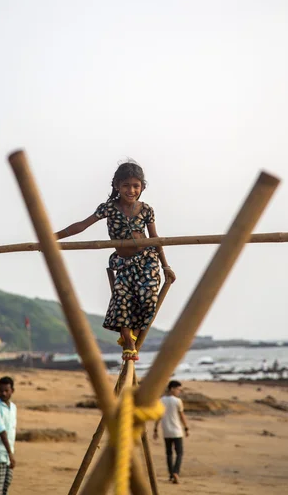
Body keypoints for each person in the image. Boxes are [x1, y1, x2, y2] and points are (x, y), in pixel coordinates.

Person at [55, 161, 176, 361]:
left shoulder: (146, 210)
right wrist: (52, 237)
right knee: (122, 299)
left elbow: (156, 240)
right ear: (117, 186)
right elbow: (82, 225)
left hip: (147, 261)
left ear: (142, 188)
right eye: (126, 185)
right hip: (123, 262)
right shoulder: (109, 208)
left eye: (136, 186)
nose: (131, 190)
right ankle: (128, 340)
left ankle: (133, 338)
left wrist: (165, 266)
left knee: (148, 299)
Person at [153, 380, 189, 484]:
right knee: (179, 453)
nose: (179, 391)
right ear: (172, 389)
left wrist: (155, 429)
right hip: (177, 431)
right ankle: (176, 472)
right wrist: (186, 428)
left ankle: (171, 475)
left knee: (169, 453)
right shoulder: (177, 401)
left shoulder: (161, 400)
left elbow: (158, 416)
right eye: (178, 389)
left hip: (166, 431)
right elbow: (182, 416)